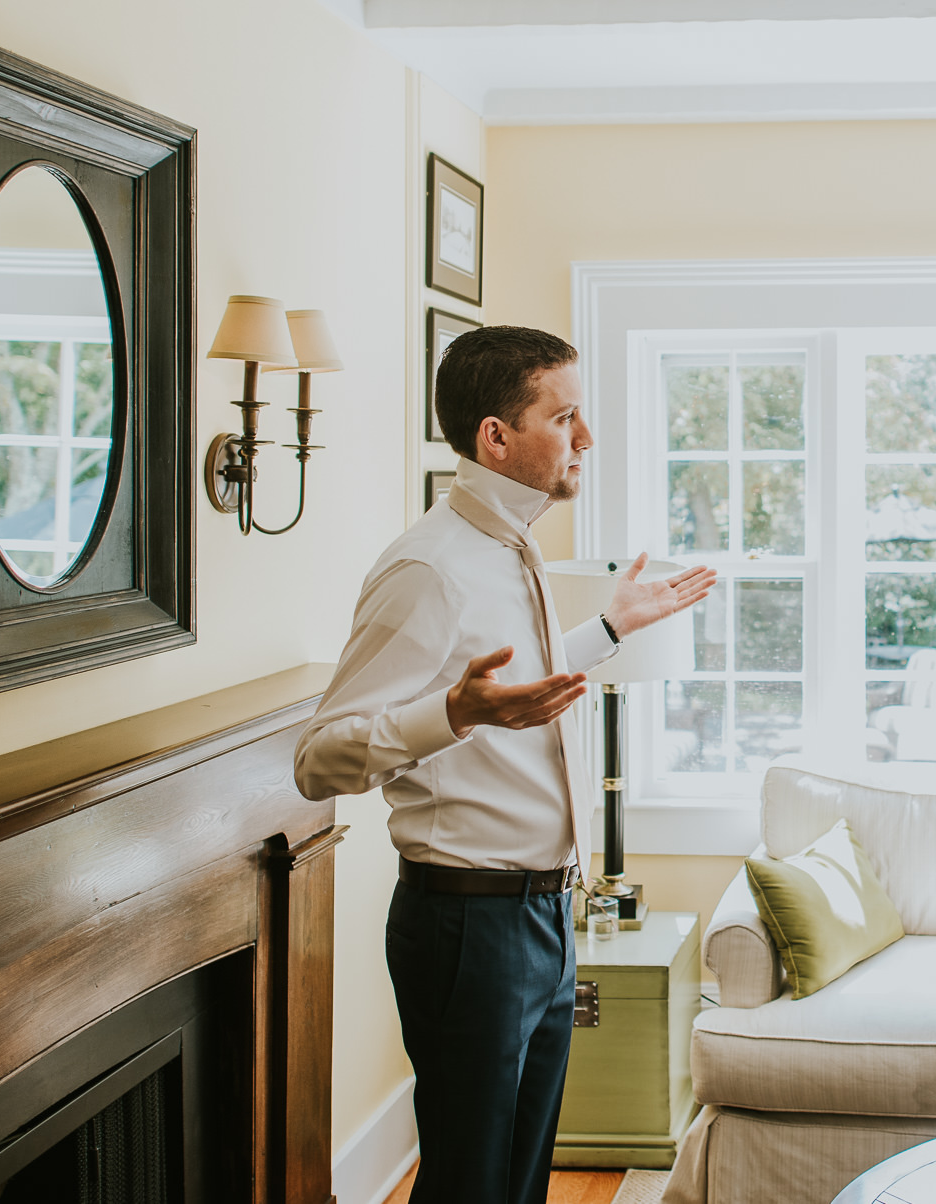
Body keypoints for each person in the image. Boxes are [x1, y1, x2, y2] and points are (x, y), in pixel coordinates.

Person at [295, 325, 715, 1204]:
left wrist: (608, 629)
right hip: (467, 927)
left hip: (543, 917)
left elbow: (506, 686)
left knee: (523, 1177)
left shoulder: (510, 547)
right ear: (497, 435)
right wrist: (448, 715)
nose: (584, 438)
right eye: (564, 417)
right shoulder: (427, 568)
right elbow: (319, 758)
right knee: (470, 1182)